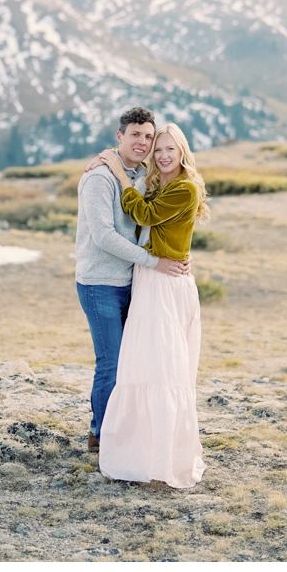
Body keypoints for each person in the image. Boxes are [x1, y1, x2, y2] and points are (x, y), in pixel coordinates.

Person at [94, 122, 207, 489]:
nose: (161, 155)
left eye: (169, 149)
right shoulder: (160, 182)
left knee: (163, 373)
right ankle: (139, 452)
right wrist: (111, 161)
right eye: (158, 149)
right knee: (142, 367)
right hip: (151, 279)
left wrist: (117, 173)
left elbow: (143, 214)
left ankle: (163, 461)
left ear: (182, 153)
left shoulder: (185, 189)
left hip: (165, 285)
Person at [73, 107, 190, 453]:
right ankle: (101, 435)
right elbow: (104, 237)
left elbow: (156, 221)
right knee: (110, 362)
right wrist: (155, 262)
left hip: (133, 281)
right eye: (135, 135)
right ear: (120, 137)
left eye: (148, 137)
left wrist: (177, 251)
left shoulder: (142, 176)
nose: (143, 142)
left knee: (131, 361)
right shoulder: (98, 178)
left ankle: (123, 430)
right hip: (100, 283)